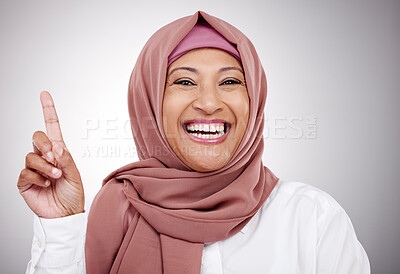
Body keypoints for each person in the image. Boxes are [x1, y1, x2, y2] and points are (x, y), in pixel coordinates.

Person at [18, 10, 370, 274]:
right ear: (150, 101)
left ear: (255, 100)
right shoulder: (115, 213)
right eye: (184, 82)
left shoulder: (311, 219)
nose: (208, 102)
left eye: (230, 82)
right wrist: (61, 226)